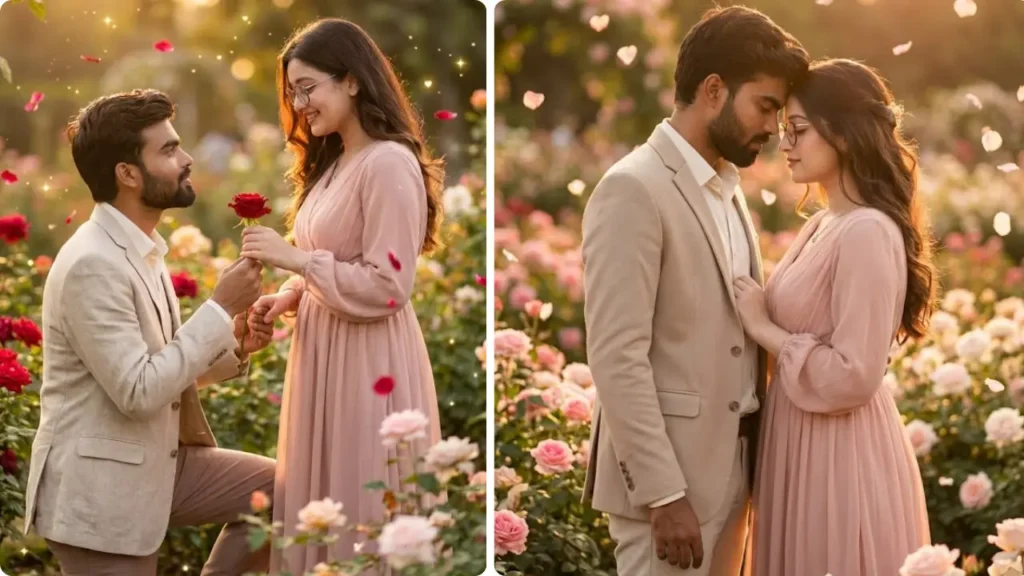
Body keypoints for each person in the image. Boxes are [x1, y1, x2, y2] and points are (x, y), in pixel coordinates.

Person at [580, 6, 809, 575]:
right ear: (713, 90)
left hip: (733, 473)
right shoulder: (632, 188)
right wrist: (663, 493)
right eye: (765, 106)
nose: (773, 128)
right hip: (671, 492)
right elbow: (616, 355)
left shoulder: (725, 186)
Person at [24, 89, 277, 575]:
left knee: (280, 493)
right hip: (101, 491)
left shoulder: (141, 247)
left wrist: (234, 343)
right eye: (169, 150)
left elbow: (159, 370)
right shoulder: (92, 263)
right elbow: (139, 392)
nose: (187, 159)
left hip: (157, 460)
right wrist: (219, 307)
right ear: (128, 174)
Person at [237, 18, 444, 572]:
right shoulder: (333, 163)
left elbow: (388, 285)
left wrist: (296, 262)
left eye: (308, 88)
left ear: (352, 80)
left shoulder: (389, 162)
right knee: (323, 503)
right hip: (324, 353)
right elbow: (332, 256)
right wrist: (289, 294)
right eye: (292, 93)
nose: (299, 104)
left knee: (360, 505)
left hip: (368, 362)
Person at [733, 58, 933, 575]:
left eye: (798, 130)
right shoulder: (824, 222)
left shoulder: (867, 231)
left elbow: (854, 375)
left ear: (842, 134)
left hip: (840, 453)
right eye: (784, 130)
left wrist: (763, 328)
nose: (785, 144)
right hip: (798, 441)